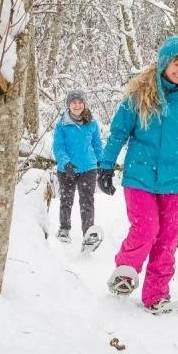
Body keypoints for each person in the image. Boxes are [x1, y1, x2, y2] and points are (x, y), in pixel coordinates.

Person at [98, 35, 178, 314]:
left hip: (174, 181)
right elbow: (119, 132)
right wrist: (106, 165)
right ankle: (125, 271)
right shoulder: (139, 96)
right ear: (164, 63)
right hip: (139, 177)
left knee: (168, 239)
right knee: (146, 227)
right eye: (177, 64)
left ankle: (156, 295)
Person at [52, 89, 104, 244]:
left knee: (87, 201)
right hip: (67, 168)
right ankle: (64, 229)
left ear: (84, 104)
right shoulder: (62, 125)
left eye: (80, 102)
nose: (77, 105)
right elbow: (58, 147)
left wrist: (101, 162)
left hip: (88, 168)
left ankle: (88, 233)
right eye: (74, 102)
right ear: (69, 105)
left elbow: (97, 145)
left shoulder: (92, 123)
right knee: (66, 200)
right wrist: (65, 162)